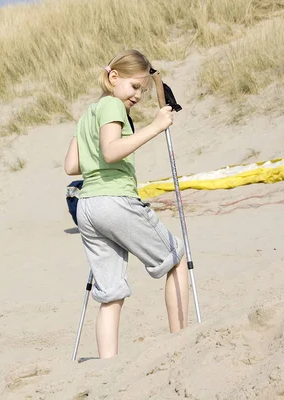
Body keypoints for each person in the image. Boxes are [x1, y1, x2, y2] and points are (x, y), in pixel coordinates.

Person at [63, 49, 189, 359]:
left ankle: (109, 367)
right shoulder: (111, 106)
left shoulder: (88, 114)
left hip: (88, 208)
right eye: (134, 87)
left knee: (111, 291)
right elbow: (110, 151)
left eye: (144, 91)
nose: (138, 96)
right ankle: (183, 343)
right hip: (115, 200)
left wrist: (98, 157)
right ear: (113, 77)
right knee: (175, 258)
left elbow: (70, 166)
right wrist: (155, 127)